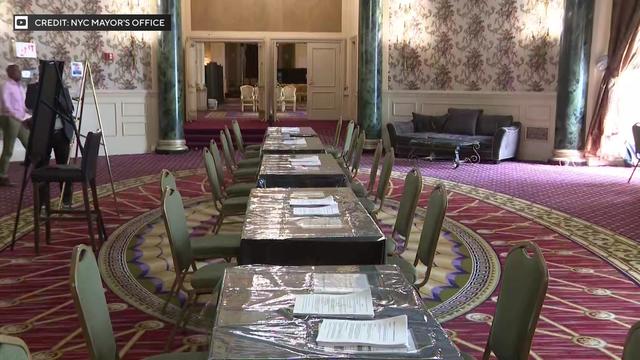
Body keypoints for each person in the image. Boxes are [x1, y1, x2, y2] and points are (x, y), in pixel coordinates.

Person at [25, 81, 75, 207]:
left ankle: (66, 200)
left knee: (65, 168)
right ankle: (42, 202)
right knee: (41, 168)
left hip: (61, 134)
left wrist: (58, 98)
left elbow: (70, 108)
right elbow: (29, 105)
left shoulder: (62, 87)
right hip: (43, 136)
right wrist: (41, 90)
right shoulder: (33, 88)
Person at [0, 64, 29, 186]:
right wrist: (16, 116)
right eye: (17, 71)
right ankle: (2, 176)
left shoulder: (20, 87)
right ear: (11, 73)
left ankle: (35, 168)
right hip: (9, 118)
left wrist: (27, 112)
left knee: (29, 142)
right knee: (9, 148)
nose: (19, 73)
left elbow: (22, 104)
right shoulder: (6, 86)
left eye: (19, 71)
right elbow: (6, 104)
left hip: (20, 118)